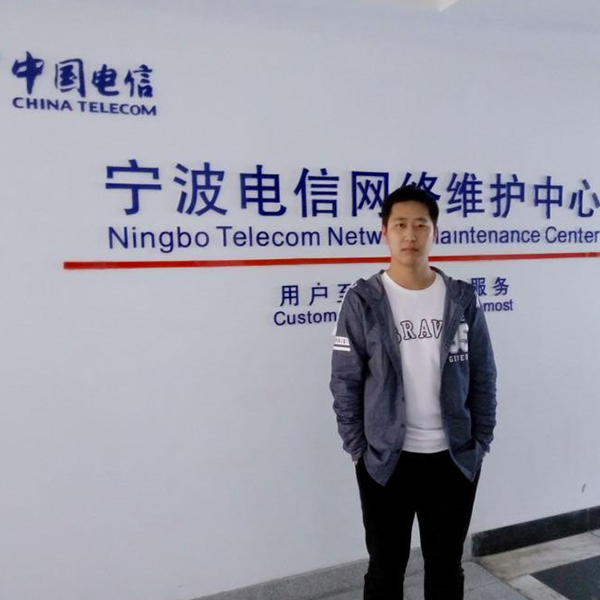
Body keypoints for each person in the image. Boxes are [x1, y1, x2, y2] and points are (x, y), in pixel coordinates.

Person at [330, 184, 497, 600]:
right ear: (384, 233)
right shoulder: (363, 300)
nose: (410, 234)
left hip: (453, 457)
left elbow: (483, 372)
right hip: (387, 460)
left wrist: (480, 441)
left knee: (446, 567)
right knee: (385, 569)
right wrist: (358, 449)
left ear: (434, 232)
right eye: (400, 225)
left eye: (420, 225)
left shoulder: (461, 298)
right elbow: (345, 380)